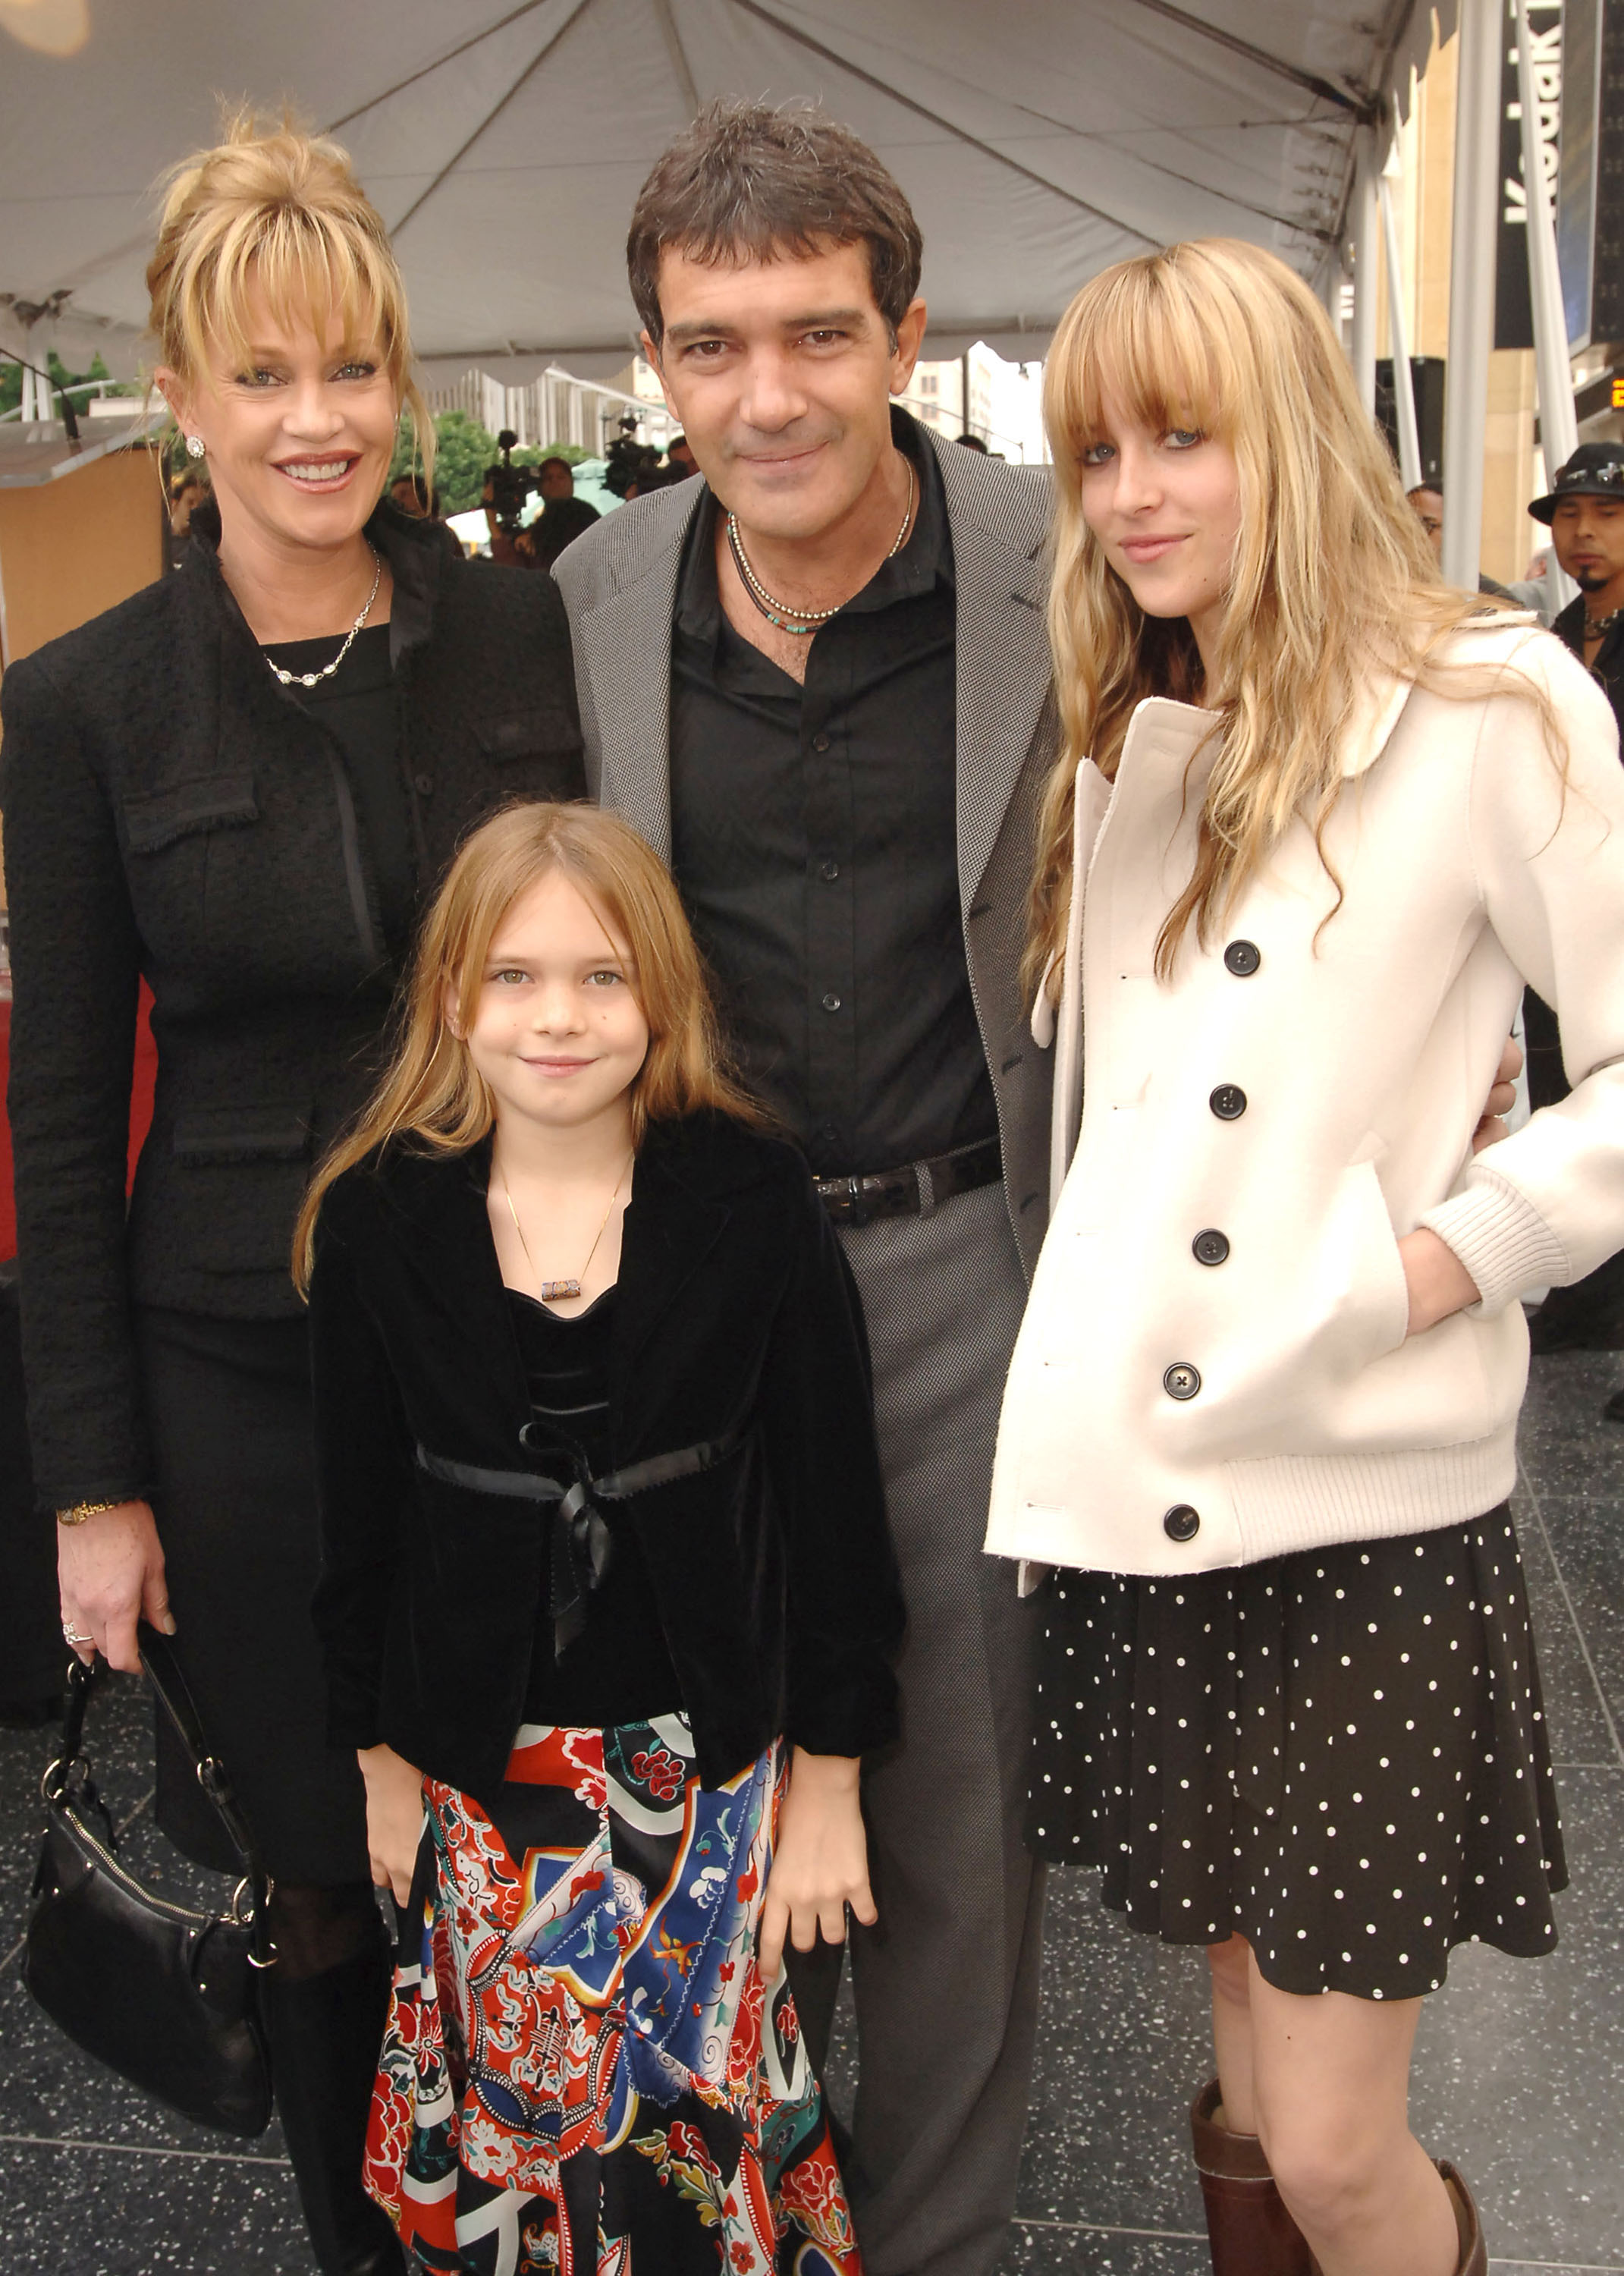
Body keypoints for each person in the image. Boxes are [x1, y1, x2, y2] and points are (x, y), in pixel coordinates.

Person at [988, 238, 1624, 2276]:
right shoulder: (1133, 726)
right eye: (1096, 449)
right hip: (1160, 1510)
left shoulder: (1488, 700)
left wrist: (1426, 1263)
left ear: (1292, 435)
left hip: (1360, 1522)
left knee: (1341, 2149)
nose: (1132, 492)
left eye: (1181, 435)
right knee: (1250, 2101)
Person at [0, 115, 584, 2276]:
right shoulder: (77, 711)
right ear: (179, 399)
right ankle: (369, 2244)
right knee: (319, 1881)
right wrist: (90, 1487)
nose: (316, 421)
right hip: (231, 1382)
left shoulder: (520, 641)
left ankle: (549, 2212)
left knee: (528, 1834)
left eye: (349, 369)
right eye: (261, 377)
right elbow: (63, 1113)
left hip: (521, 1350)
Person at [553, 97, 1060, 2276]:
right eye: (706, 346)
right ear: (653, 361)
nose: (764, 397)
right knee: (709, 1801)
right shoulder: (586, 598)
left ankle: (932, 2246)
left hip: (973, 1260)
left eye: (815, 336)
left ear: (907, 334)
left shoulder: (1068, 556)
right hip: (689, 1282)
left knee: (951, 1833)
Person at [297, 799, 901, 2271]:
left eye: (599, 977)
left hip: (701, 1777)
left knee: (683, 2158)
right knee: (523, 2140)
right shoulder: (382, 1217)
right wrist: (378, 1760)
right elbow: (355, 1522)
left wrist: (827, 1780)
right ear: (451, 999)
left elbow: (835, 1518)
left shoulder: (750, 1201)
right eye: (512, 977)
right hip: (481, 1770)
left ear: (661, 997)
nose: (555, 1018)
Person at [1520, 445, 1624, 1388]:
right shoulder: (1551, 638)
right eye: (1567, 516)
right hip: (1559, 894)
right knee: (1560, 1086)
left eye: (1603, 515)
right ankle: (1584, 1297)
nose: (1580, 535)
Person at [515, 451, 599, 571]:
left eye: (561, 477)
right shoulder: (544, 518)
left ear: (571, 483)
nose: (554, 482)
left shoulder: (584, 514)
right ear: (539, 487)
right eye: (548, 478)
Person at [388, 468, 463, 562]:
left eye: (403, 494)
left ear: (423, 495)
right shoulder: (395, 538)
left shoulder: (443, 535)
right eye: (394, 498)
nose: (398, 502)